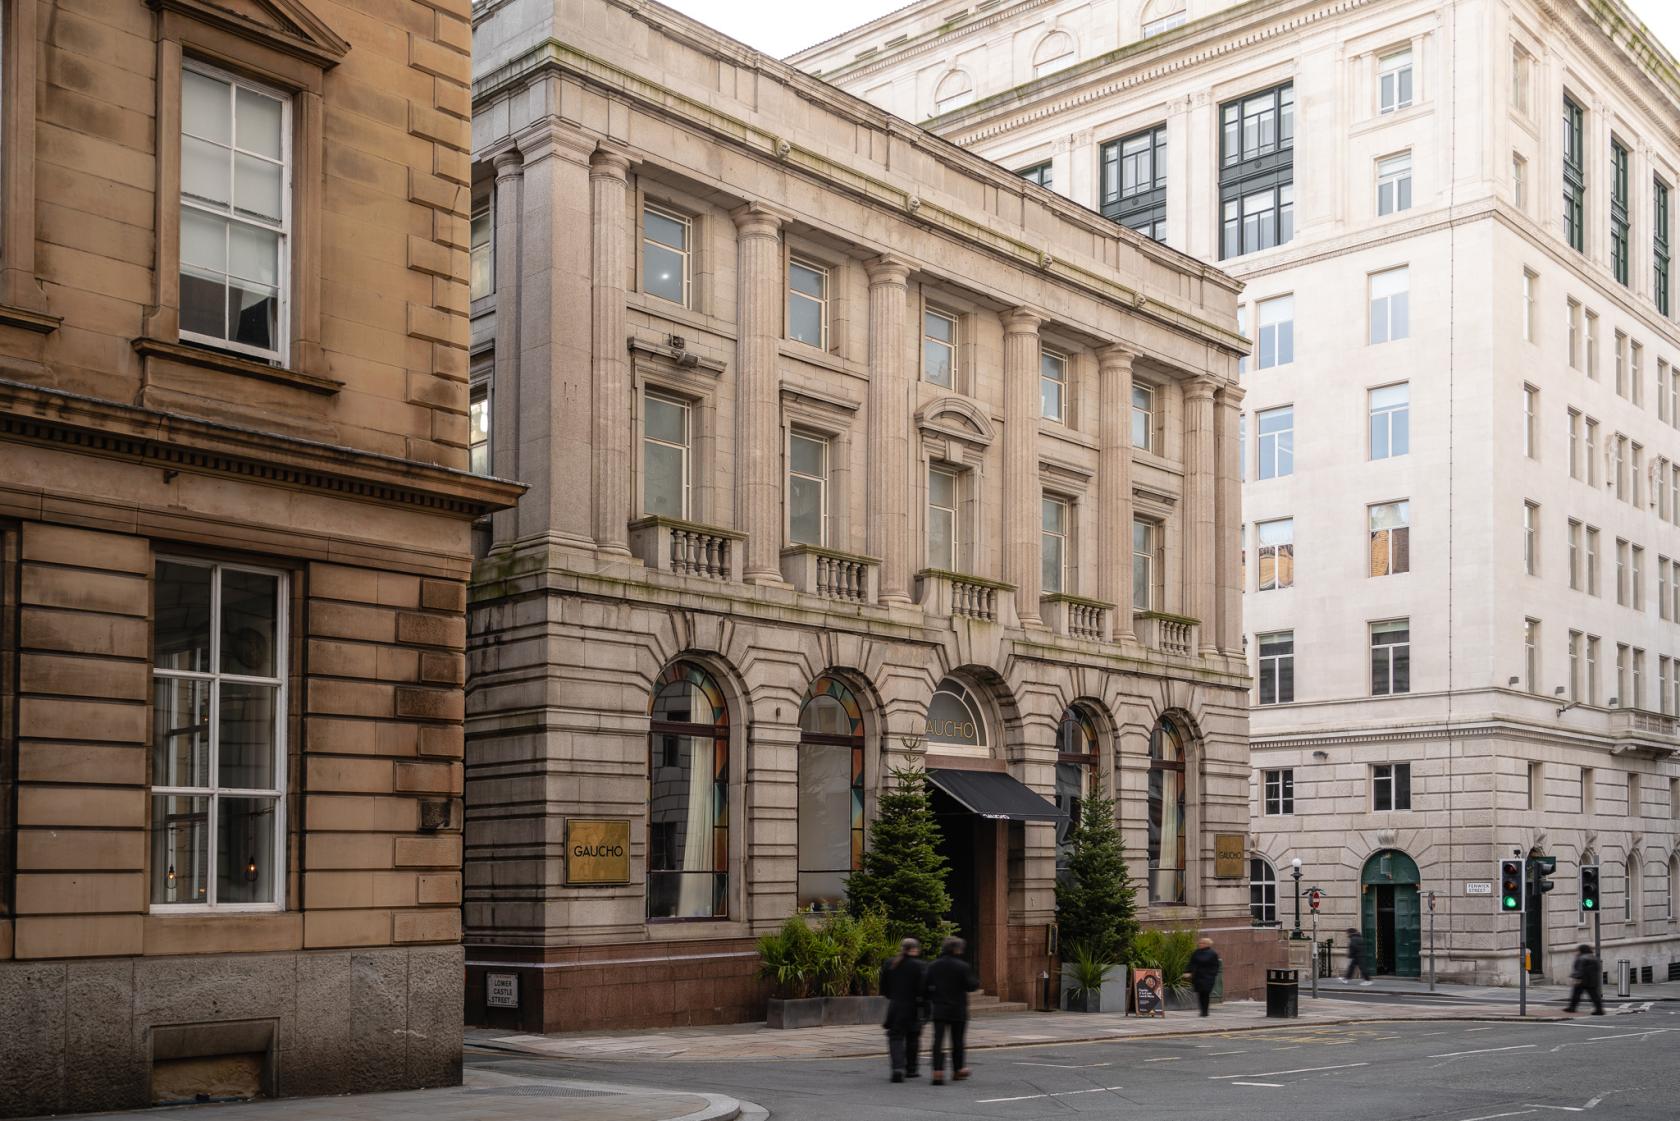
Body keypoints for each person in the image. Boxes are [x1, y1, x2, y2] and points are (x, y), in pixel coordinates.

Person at [923, 936, 980, 1086]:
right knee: (958, 1040)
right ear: (956, 949)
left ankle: (938, 1072)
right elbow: (972, 986)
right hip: (958, 1009)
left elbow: (924, 986)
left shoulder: (933, 965)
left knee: (938, 1041)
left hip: (940, 1008)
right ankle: (958, 1070)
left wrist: (932, 998)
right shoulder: (962, 966)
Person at [879, 937, 927, 1082]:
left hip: (895, 1006)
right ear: (915, 949)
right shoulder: (920, 965)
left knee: (895, 1038)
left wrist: (892, 996)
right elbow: (924, 990)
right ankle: (911, 1069)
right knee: (913, 1037)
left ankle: (897, 1068)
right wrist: (926, 1009)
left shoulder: (890, 964)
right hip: (914, 1006)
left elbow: (884, 988)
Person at [1565, 943, 1605, 1015]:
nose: (1577, 952)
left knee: (1576, 994)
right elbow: (1598, 968)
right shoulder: (1594, 958)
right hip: (1593, 980)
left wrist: (1575, 977)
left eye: (1578, 950)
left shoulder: (1581, 958)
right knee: (1594, 995)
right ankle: (1599, 1010)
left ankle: (1572, 1008)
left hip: (1582, 980)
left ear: (1581, 950)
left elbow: (1579, 970)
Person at [1186, 937, 1221, 1017]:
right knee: (1200, 994)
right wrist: (1188, 971)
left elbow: (1216, 965)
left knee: (1206, 993)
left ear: (1207, 944)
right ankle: (1202, 1010)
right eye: (1200, 943)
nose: (1200, 944)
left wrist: (1212, 974)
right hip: (1198, 977)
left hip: (1208, 977)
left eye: (1202, 943)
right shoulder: (1196, 952)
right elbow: (1192, 963)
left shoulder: (1212, 953)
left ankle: (1205, 1011)